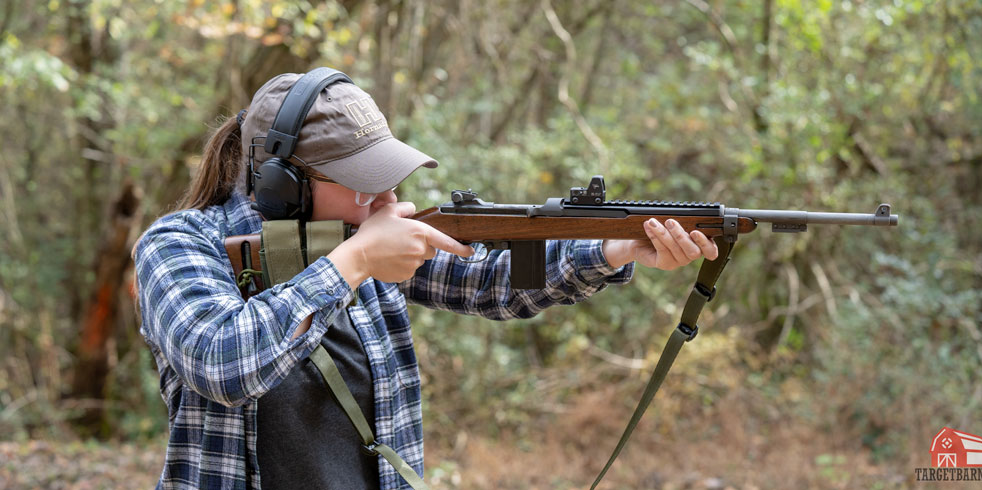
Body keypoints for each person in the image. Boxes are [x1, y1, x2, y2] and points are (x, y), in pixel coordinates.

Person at [133, 68, 719, 490]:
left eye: (389, 178)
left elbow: (494, 280)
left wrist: (615, 249)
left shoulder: (363, 238)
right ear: (281, 184)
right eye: (363, 183)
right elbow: (222, 363)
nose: (388, 200)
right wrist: (354, 262)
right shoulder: (181, 245)